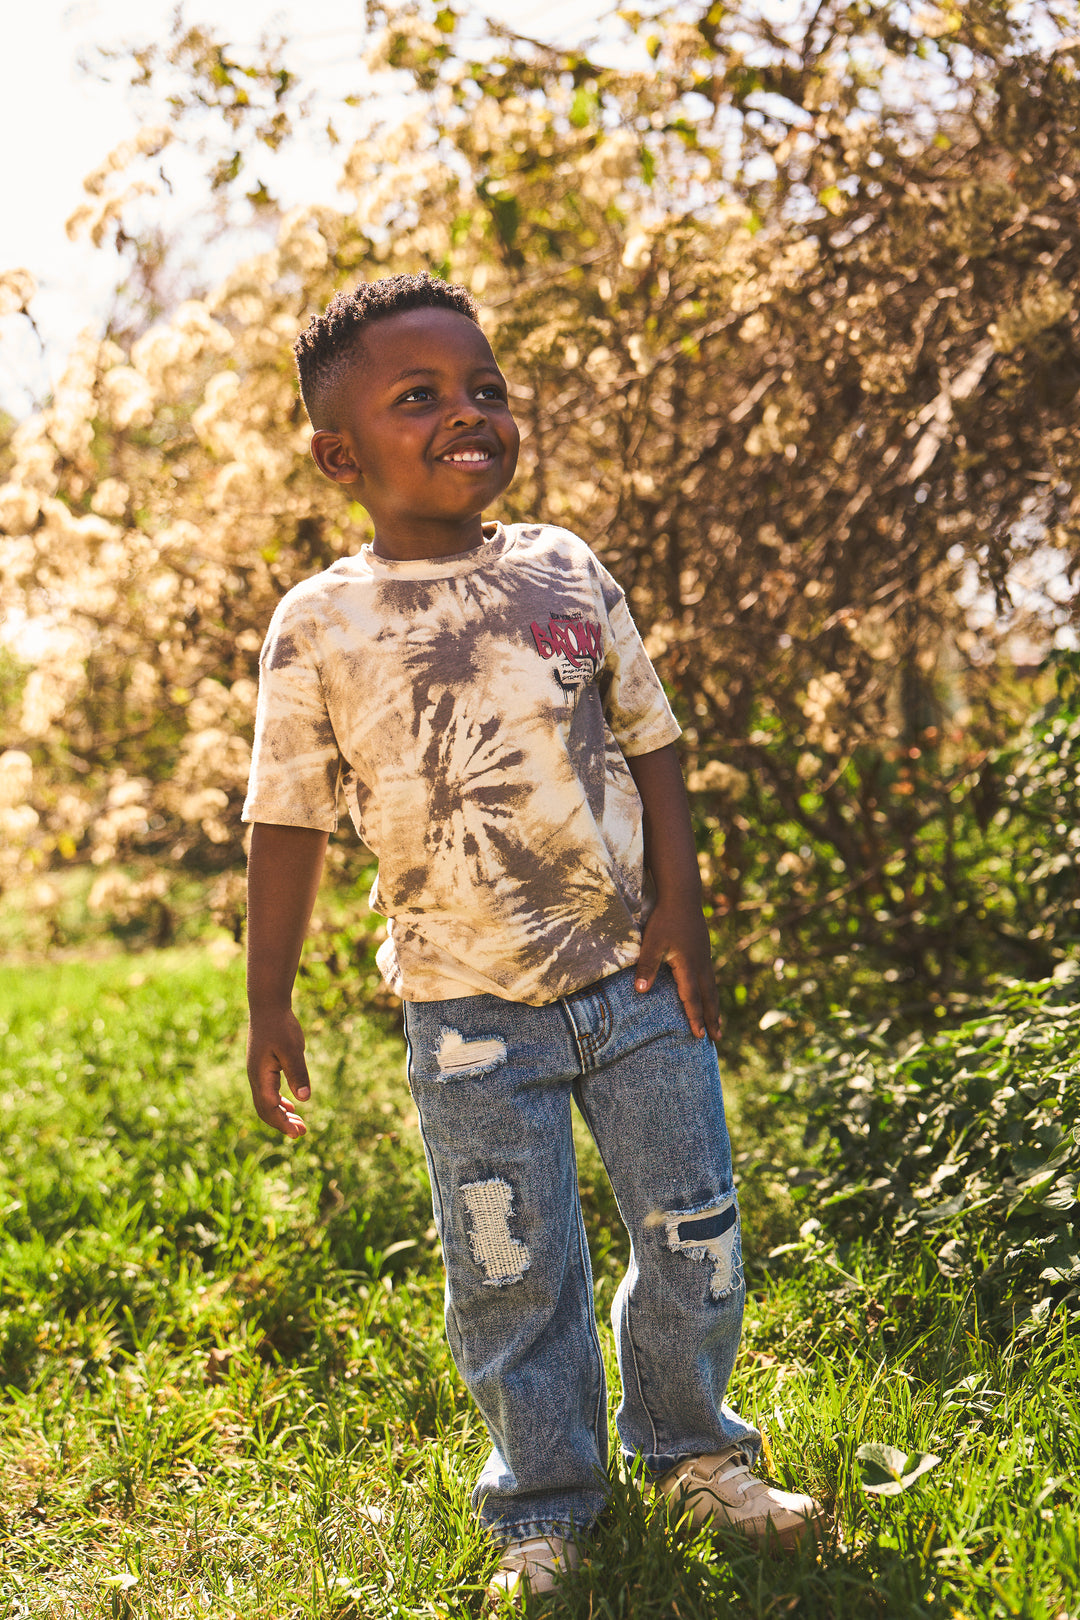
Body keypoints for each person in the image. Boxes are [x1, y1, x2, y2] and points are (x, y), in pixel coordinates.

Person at [242, 272, 824, 1605]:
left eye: (487, 387)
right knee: (511, 1265)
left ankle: (693, 1452)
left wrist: (682, 910)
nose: (471, 413)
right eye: (421, 397)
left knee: (696, 1230)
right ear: (342, 454)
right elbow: (285, 823)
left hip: (629, 980)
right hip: (464, 1015)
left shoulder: (565, 569)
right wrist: (268, 998)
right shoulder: (321, 626)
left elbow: (654, 743)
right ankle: (544, 1502)